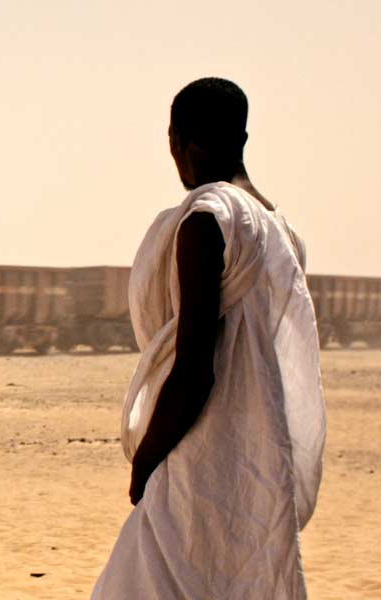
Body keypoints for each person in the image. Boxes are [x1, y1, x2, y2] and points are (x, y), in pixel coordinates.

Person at [90, 78, 326, 599]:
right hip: (259, 461)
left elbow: (196, 365)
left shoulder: (206, 218)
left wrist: (147, 459)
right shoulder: (281, 229)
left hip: (199, 455)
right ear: (242, 139)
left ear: (180, 142)